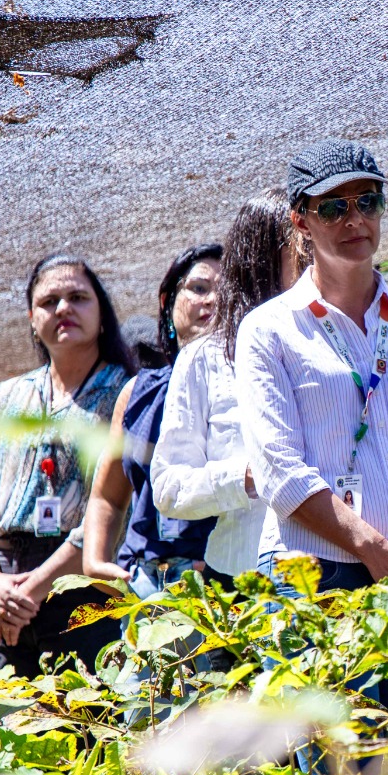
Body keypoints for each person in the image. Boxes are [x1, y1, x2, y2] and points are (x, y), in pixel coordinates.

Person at [237, 139, 388, 600]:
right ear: (300, 221)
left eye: (368, 202)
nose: (355, 219)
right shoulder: (268, 329)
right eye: (333, 208)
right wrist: (375, 550)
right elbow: (278, 469)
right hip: (308, 573)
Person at [0, 253, 134, 678]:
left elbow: (114, 512)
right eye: (49, 301)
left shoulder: (126, 394)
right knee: (15, 715)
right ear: (32, 320)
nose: (63, 308)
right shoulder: (5, 399)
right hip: (6, 595)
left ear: (103, 315)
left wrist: (33, 590)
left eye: (78, 297)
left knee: (87, 714)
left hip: (84, 591)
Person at [152, 190, 300, 580]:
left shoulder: (339, 338)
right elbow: (168, 486)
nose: (314, 260)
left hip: (336, 572)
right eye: (301, 247)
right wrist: (247, 477)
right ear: (261, 259)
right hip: (242, 575)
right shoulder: (204, 358)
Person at [82, 244, 221, 599]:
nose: (212, 300)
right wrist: (95, 560)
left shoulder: (249, 388)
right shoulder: (137, 392)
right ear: (167, 301)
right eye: (199, 288)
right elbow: (107, 496)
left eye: (226, 291)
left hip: (221, 585)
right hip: (143, 580)